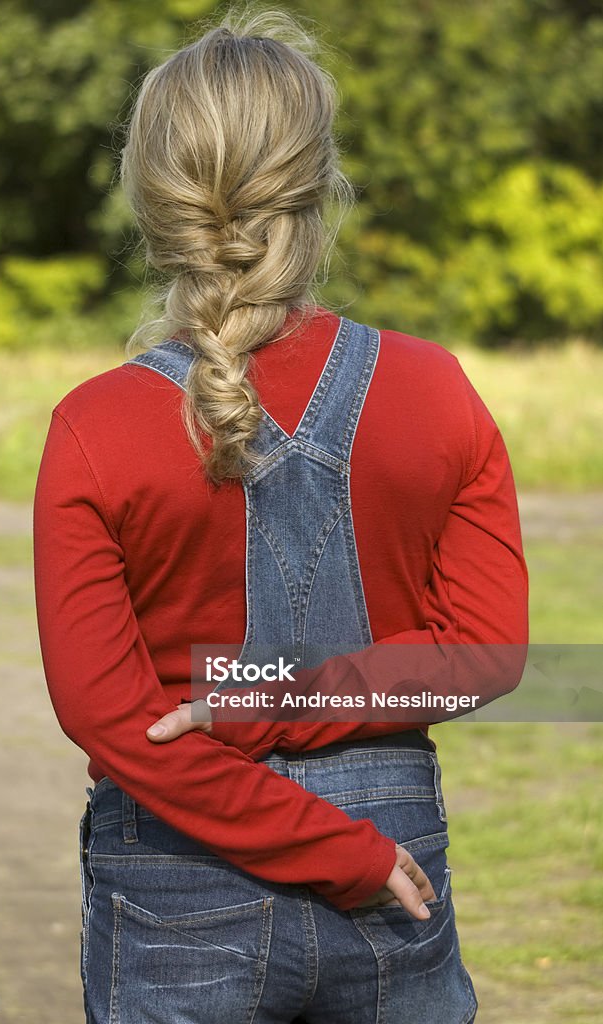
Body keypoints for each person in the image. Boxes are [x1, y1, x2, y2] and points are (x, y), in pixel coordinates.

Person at [33, 9, 528, 1023]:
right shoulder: (435, 391)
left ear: (150, 194)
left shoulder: (93, 427)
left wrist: (251, 698)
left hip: (177, 879)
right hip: (394, 877)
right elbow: (486, 653)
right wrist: (343, 840)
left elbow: (109, 716)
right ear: (323, 185)